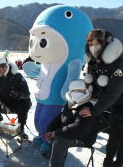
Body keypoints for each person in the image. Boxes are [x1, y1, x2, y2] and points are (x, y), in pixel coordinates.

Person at [80, 29, 123, 167]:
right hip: (117, 107)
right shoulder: (94, 63)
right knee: (112, 139)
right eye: (91, 43)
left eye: (97, 43)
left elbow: (113, 93)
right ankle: (108, 163)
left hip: (118, 102)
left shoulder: (118, 64)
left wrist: (94, 110)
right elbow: (93, 86)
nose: (94, 46)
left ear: (106, 44)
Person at [46, 79, 98, 166]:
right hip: (71, 133)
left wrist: (57, 132)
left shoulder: (87, 108)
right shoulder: (71, 103)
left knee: (59, 141)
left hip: (84, 138)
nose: (75, 93)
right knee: (54, 138)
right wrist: (50, 130)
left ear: (86, 91)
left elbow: (78, 129)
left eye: (79, 90)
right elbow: (61, 117)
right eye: (74, 90)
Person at [0, 57, 32, 139]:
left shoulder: (18, 76)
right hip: (6, 105)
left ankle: (21, 129)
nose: (1, 69)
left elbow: (26, 93)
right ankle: (1, 124)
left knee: (23, 106)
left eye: (2, 66)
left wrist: (18, 94)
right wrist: (1, 104)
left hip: (19, 103)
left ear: (7, 66)